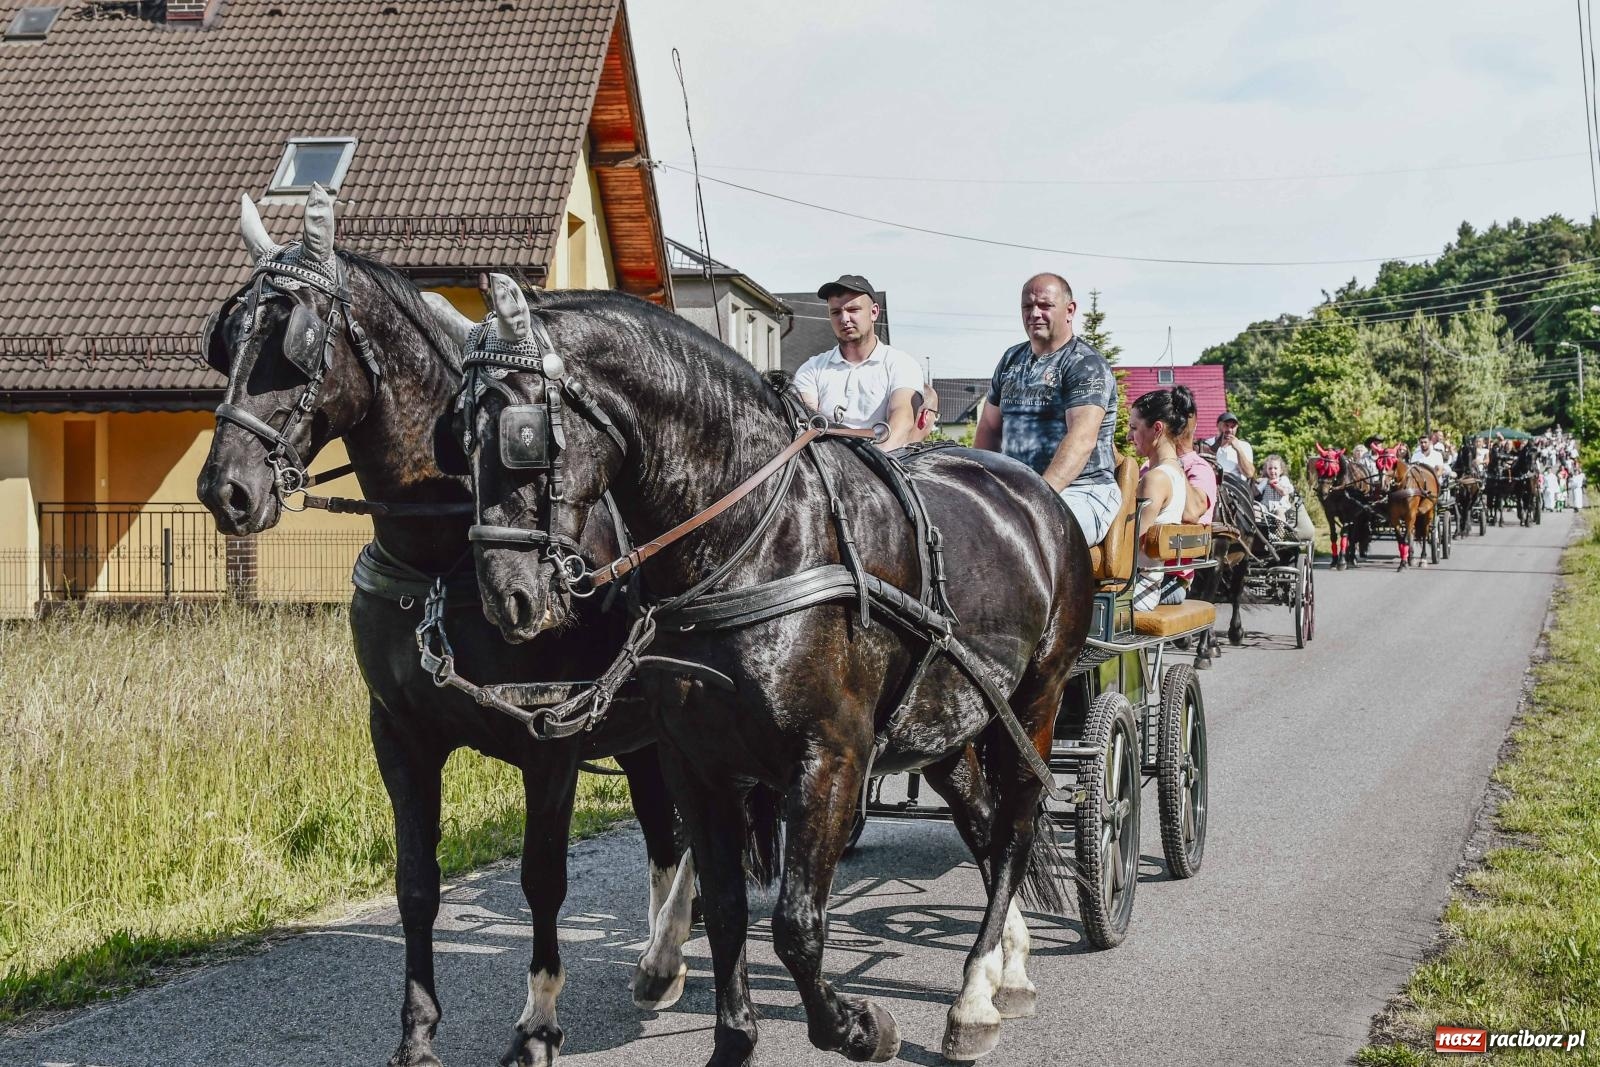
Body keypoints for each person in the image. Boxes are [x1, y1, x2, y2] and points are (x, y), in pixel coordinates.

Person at [975, 273, 1120, 545]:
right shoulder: (1010, 359)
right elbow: (989, 430)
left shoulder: (1085, 364)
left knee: (1028, 536)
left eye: (1045, 306)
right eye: (1027, 307)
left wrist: (1036, 496)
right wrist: (978, 484)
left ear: (1070, 310)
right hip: (1015, 490)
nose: (1034, 314)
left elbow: (1081, 440)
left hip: (1083, 491)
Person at [792, 274, 923, 450]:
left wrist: (873, 470)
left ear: (874, 312)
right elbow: (805, 423)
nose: (844, 319)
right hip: (827, 468)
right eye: (836, 312)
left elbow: (902, 420)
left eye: (853, 310)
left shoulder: (901, 364)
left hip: (883, 466)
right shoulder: (811, 369)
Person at [1128, 388, 1194, 610]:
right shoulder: (1176, 472)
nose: (1129, 437)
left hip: (1138, 590)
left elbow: (1131, 547)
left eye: (1134, 428)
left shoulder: (1155, 479)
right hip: (1150, 583)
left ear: (1157, 429)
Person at [1204, 412, 1255, 480]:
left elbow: (1249, 474)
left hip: (1235, 486)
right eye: (1226, 425)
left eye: (1233, 427)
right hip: (1212, 483)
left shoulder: (1244, 446)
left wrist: (1238, 450)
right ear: (1218, 425)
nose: (1229, 430)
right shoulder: (1207, 444)